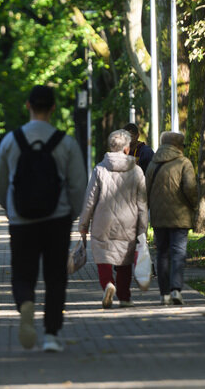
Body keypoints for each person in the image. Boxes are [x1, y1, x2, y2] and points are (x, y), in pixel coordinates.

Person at [0, 85, 87, 353]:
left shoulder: (11, 141)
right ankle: (51, 335)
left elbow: (0, 183)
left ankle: (25, 303)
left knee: (23, 274)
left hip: (21, 221)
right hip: (56, 220)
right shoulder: (66, 142)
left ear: (28, 105)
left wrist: (9, 208)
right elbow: (78, 185)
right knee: (56, 276)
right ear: (54, 108)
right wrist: (72, 213)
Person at [78, 129, 148, 309]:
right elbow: (142, 203)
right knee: (124, 260)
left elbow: (90, 199)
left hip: (103, 222)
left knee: (103, 257)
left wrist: (83, 224)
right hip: (128, 222)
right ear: (126, 148)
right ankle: (124, 297)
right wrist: (143, 228)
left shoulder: (100, 169)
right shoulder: (137, 171)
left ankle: (108, 284)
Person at [145, 131, 198, 306]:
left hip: (159, 217)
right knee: (178, 252)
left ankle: (164, 294)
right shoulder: (184, 163)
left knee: (162, 253)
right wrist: (194, 204)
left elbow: (145, 190)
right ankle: (176, 289)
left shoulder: (153, 164)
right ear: (178, 145)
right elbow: (190, 187)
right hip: (180, 215)